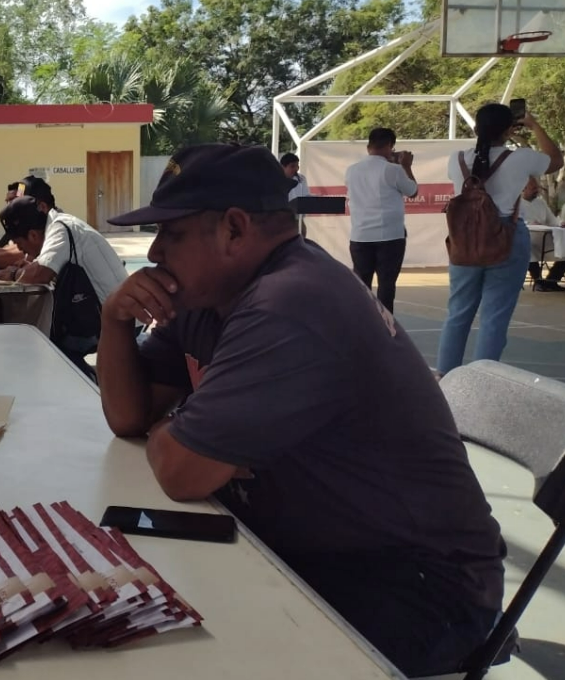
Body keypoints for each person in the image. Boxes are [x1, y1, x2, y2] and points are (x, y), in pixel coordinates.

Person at [97, 143, 507, 678]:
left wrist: (181, 431)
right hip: (309, 549)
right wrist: (114, 321)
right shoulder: (212, 295)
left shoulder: (290, 303)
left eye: (171, 234)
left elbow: (181, 471)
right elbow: (129, 417)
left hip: (415, 588)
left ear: (235, 229)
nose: (154, 253)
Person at [437, 106, 562, 375]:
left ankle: (446, 376)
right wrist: (534, 125)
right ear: (509, 131)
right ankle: (483, 380)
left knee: (457, 314)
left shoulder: (455, 159)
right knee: (494, 318)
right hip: (507, 238)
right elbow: (555, 160)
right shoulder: (521, 158)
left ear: (475, 130)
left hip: (465, 241)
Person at [0, 195, 128, 375]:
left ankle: (88, 386)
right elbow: (44, 266)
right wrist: (29, 267)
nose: (21, 251)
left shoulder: (61, 229)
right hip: (109, 313)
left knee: (45, 344)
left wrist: (12, 274)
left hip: (116, 322)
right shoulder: (61, 224)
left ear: (33, 235)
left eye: (19, 244)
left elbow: (40, 274)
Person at [344, 128, 418, 313]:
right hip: (389, 236)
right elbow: (413, 191)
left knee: (362, 284)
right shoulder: (393, 170)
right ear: (390, 146)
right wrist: (406, 166)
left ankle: (362, 324)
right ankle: (386, 327)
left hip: (360, 235)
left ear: (368, 146)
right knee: (386, 285)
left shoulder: (351, 170)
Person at [522, 177, 565, 291]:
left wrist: (562, 223)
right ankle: (538, 282)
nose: (536, 190)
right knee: (527, 249)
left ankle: (551, 281)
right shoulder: (516, 202)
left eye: (537, 188)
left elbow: (552, 220)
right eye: (533, 188)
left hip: (546, 238)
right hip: (528, 237)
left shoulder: (541, 202)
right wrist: (529, 223)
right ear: (523, 188)